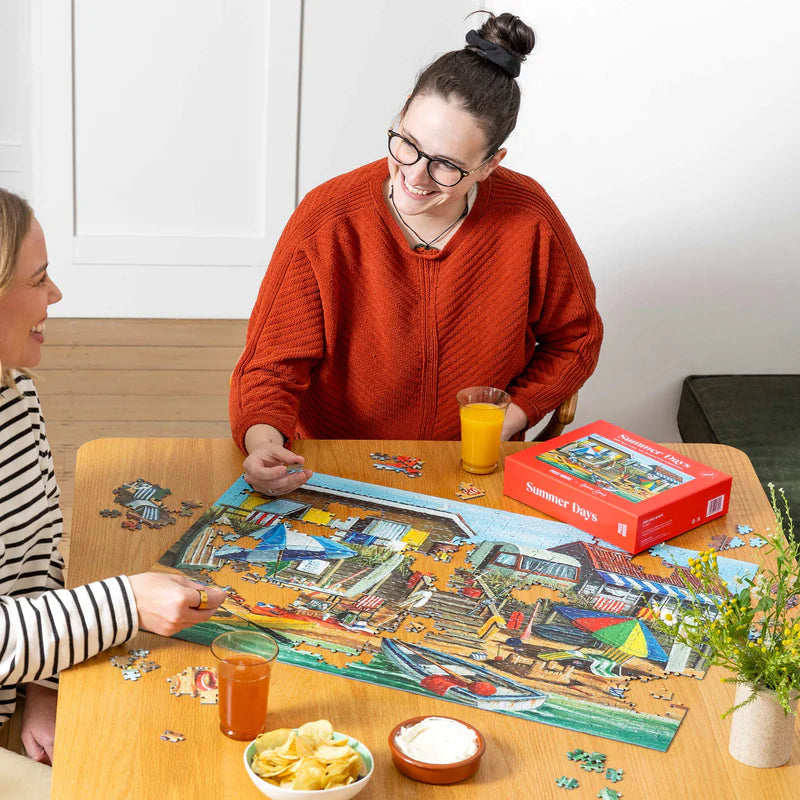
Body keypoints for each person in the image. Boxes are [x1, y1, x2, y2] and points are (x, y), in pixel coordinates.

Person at [230, 11, 603, 497]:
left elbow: (576, 337)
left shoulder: (530, 217)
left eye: (447, 165)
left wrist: (510, 418)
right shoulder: (327, 217)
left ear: (491, 164)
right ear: (402, 113)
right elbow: (268, 366)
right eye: (407, 143)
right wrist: (262, 445)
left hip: (474, 470)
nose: (416, 176)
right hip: (334, 469)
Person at [0, 188, 227, 797]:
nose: (56, 295)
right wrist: (126, 603)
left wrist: (45, 685)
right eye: (40, 278)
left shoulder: (14, 391)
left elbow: (36, 561)